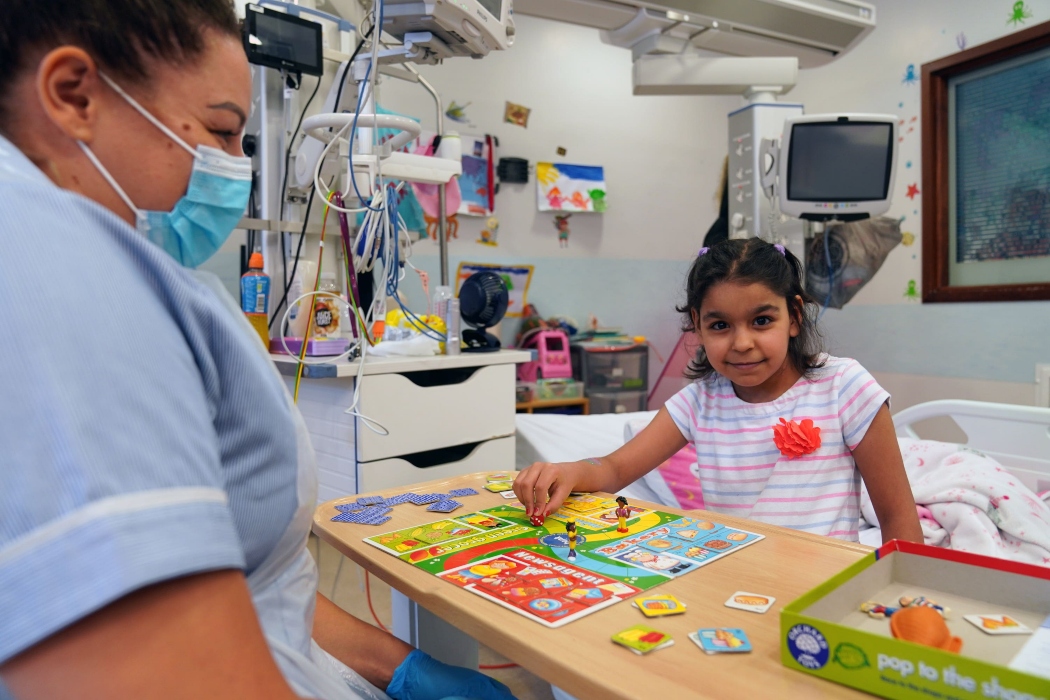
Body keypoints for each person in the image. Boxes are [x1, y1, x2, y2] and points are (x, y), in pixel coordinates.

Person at [0, 2, 515, 699]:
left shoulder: (110, 268)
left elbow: (254, 577)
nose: (232, 168)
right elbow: (154, 663)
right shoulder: (54, 261)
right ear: (74, 95)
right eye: (219, 131)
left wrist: (395, 664)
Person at [514, 238, 922, 545]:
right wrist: (567, 471)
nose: (741, 342)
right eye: (720, 325)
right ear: (698, 324)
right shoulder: (700, 402)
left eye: (762, 320)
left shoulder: (843, 387)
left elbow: (897, 518)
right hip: (731, 584)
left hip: (823, 589)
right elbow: (615, 470)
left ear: (794, 316)